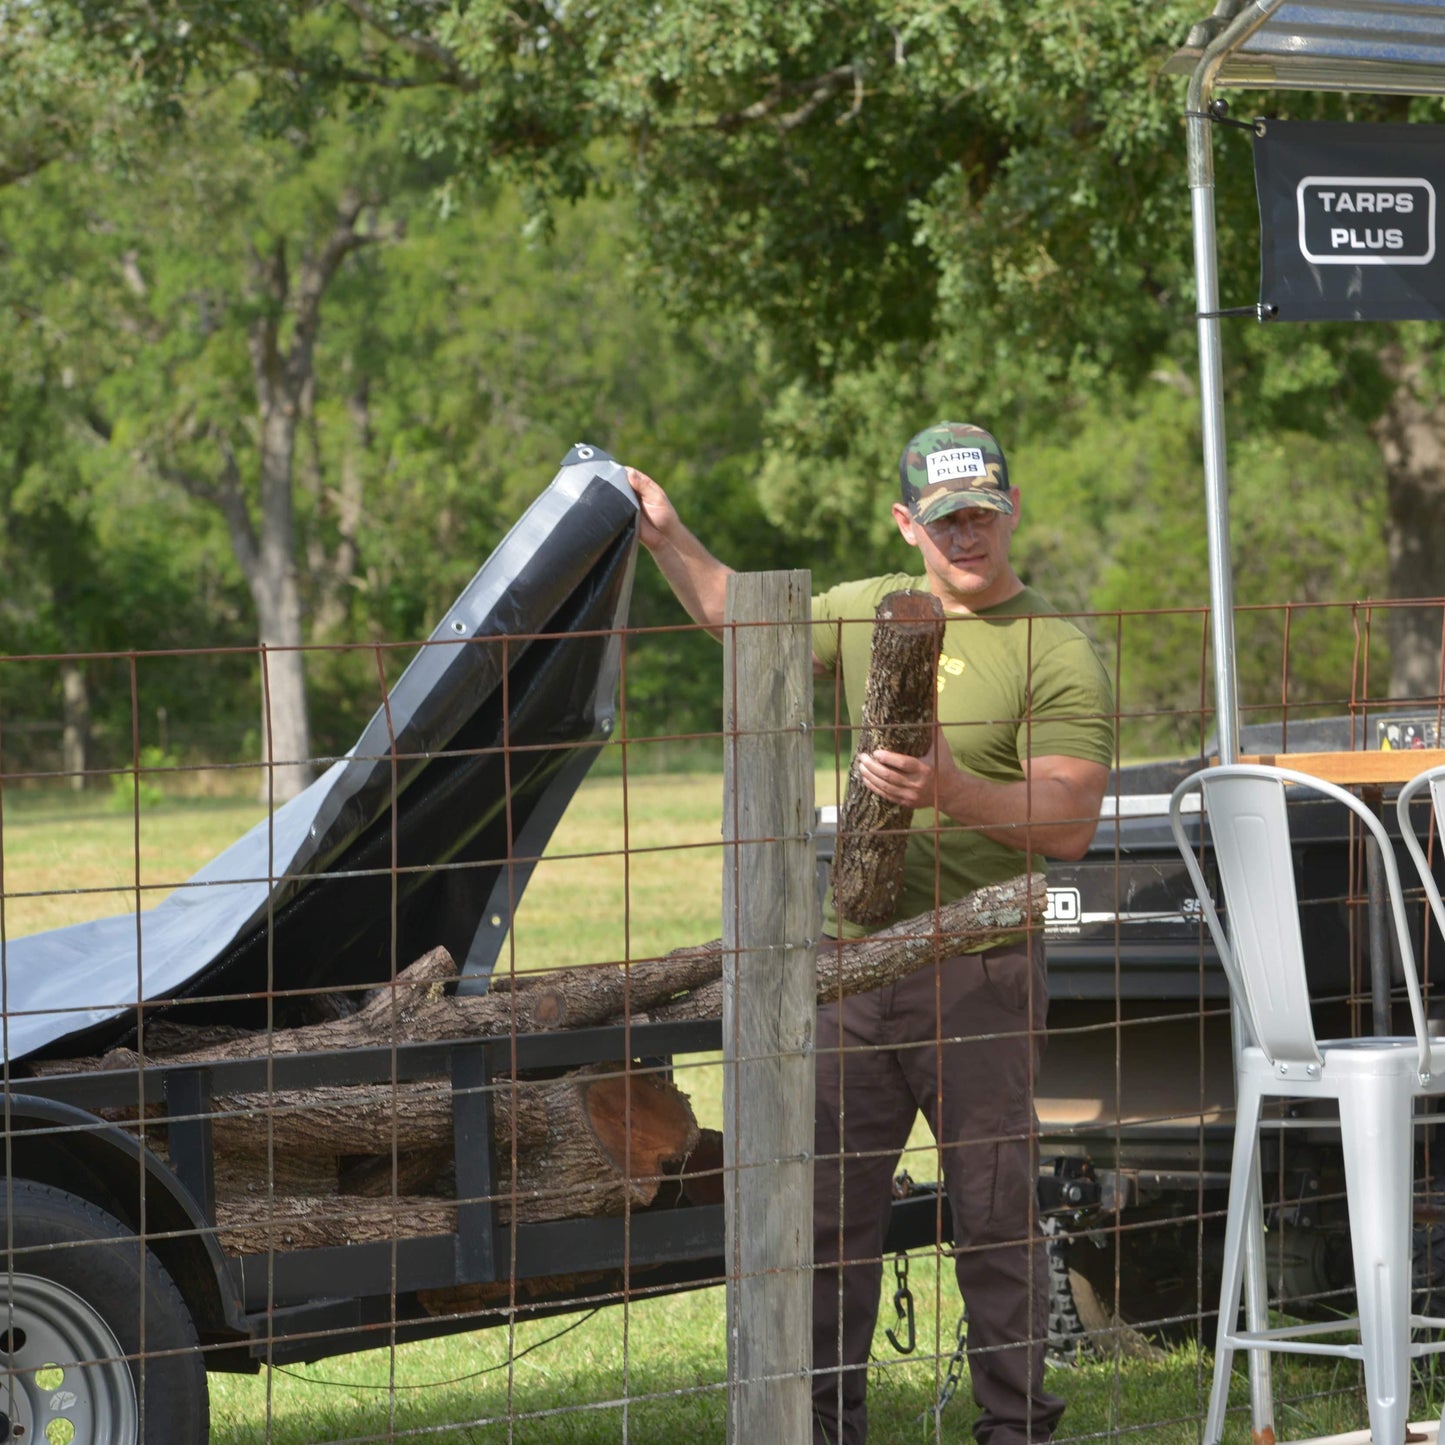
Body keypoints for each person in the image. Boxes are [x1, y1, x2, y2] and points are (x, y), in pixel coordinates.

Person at [627, 422, 1115, 1444]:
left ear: (1010, 508)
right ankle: (818, 1427)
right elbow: (734, 615)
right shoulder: (865, 610)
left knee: (989, 1211)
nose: (966, 533)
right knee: (825, 1218)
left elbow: (1066, 818)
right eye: (944, 519)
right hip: (850, 964)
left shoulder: (1053, 645)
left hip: (977, 965)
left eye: (980, 511)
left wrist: (948, 787)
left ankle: (1014, 1428)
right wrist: (667, 533)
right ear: (907, 523)